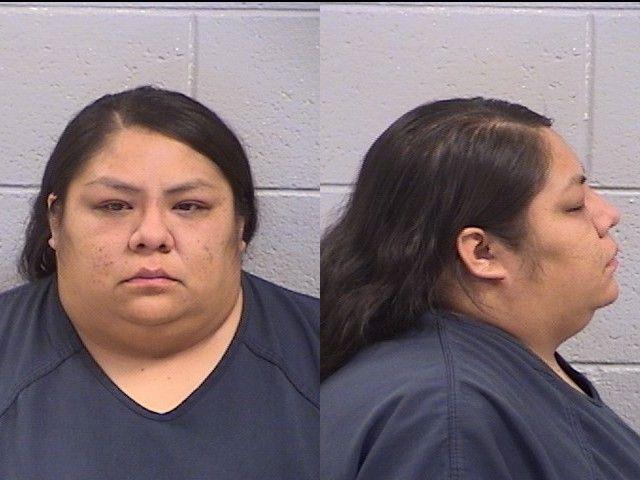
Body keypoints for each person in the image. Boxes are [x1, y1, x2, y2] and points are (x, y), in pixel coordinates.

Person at [0, 86, 318, 479]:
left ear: (241, 224)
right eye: (114, 206)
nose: (151, 235)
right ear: (56, 219)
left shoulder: (327, 353)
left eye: (189, 206)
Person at [321, 97, 640, 479]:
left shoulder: (471, 385)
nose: (608, 215)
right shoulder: (447, 417)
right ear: (483, 252)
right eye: (574, 205)